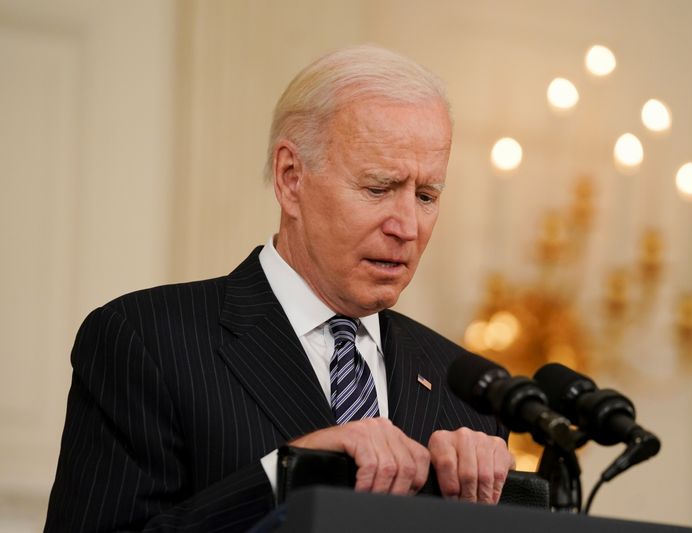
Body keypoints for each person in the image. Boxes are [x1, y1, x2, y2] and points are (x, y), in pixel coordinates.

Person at [45, 45, 514, 532]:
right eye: (377, 189)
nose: (407, 226)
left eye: (425, 196)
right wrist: (283, 474)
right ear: (291, 178)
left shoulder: (472, 393)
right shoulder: (146, 341)